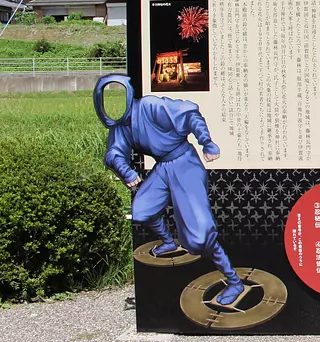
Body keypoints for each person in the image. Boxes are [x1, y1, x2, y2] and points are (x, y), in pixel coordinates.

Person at [93, 74, 244, 306]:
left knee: (201, 235)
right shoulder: (120, 127)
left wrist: (206, 141)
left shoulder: (150, 106)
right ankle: (169, 241)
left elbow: (190, 113)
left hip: (185, 162)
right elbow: (114, 154)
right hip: (163, 167)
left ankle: (234, 281)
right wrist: (126, 171)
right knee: (142, 210)